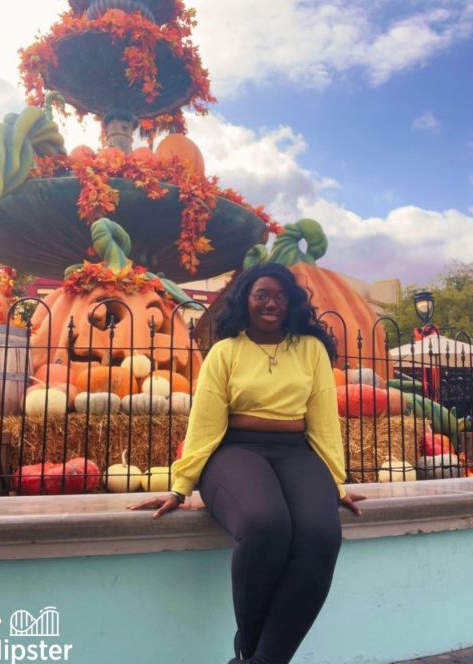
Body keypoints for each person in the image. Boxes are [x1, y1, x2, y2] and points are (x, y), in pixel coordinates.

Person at [129, 262, 365, 664]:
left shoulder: (310, 350)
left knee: (321, 535)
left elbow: (324, 419)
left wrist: (335, 484)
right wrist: (180, 485)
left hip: (295, 450)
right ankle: (253, 653)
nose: (271, 302)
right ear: (246, 301)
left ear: (290, 302)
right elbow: (204, 423)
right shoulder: (225, 352)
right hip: (236, 450)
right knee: (264, 525)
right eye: (261, 295)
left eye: (279, 295)